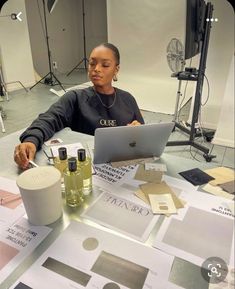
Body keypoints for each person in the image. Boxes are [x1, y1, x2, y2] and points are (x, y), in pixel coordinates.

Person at [14, 43, 144, 169]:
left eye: (105, 65)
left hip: (122, 166)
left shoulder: (127, 99)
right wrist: (31, 140)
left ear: (116, 69)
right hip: (86, 167)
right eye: (92, 63)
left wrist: (138, 132)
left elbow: (144, 134)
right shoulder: (76, 98)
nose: (96, 69)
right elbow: (49, 118)